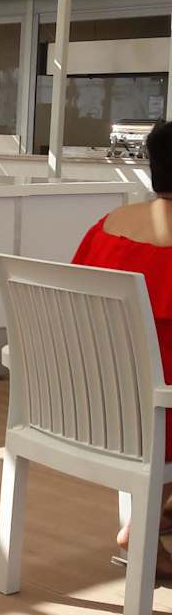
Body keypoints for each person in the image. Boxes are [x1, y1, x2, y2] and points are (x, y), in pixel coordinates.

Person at [73, 118, 172, 579]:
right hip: (155, 417)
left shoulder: (108, 226)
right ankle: (145, 523)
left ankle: (159, 508)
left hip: (94, 403)